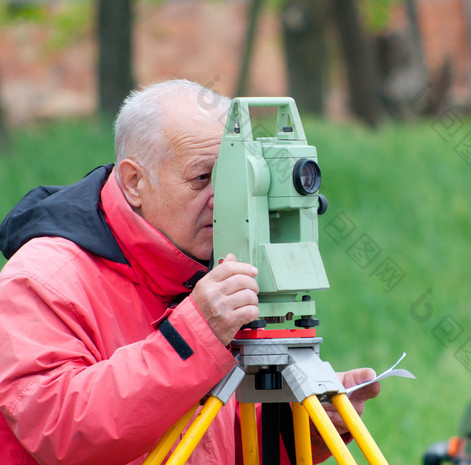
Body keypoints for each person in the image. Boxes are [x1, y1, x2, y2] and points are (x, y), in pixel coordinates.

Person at [0, 79, 380, 465]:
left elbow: (221, 443)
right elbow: (60, 430)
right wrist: (191, 337)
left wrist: (305, 428)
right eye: (203, 178)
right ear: (135, 182)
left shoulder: (204, 270)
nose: (225, 199)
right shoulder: (42, 280)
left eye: (235, 179)